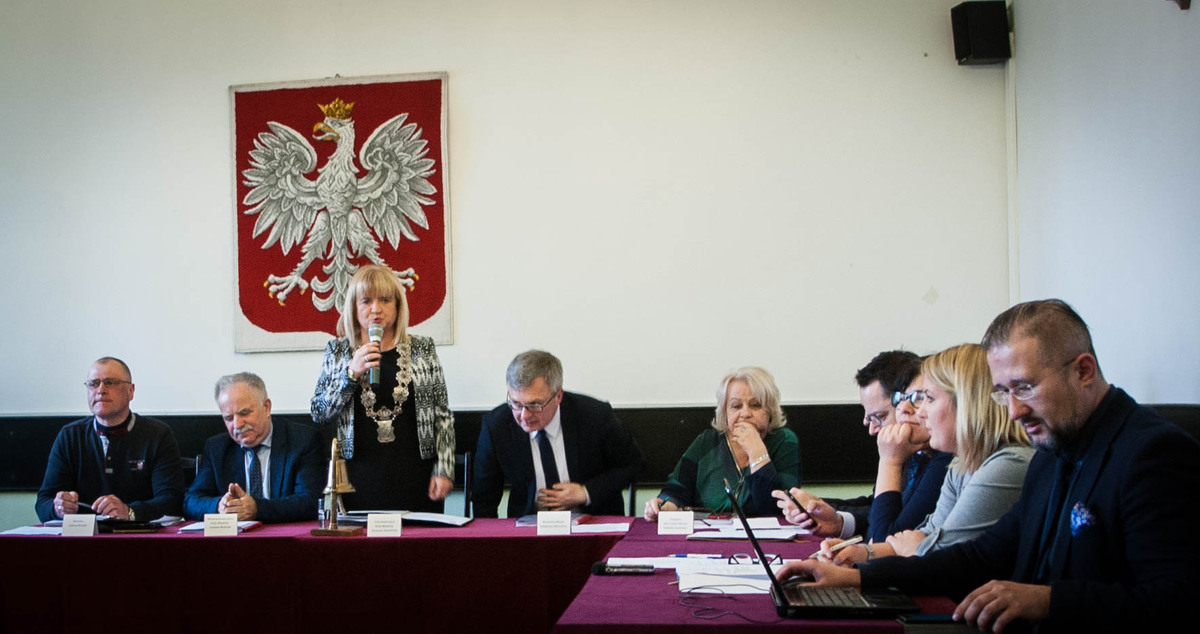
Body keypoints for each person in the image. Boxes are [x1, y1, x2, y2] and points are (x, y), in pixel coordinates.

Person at [776, 300, 1200, 633]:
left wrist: (1048, 600)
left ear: (1084, 371)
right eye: (1002, 392)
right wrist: (859, 577)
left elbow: (1179, 602)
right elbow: (981, 555)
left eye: (1025, 387)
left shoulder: (1152, 453)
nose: (1013, 410)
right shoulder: (1051, 454)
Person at [817, 343, 1033, 565]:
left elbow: (940, 556)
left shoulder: (1008, 464)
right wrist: (862, 553)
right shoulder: (960, 464)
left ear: (967, 404)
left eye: (928, 399)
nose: (920, 412)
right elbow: (925, 534)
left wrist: (889, 462)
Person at [311, 264, 455, 513]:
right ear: (354, 308)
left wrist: (445, 468)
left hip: (416, 476)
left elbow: (442, 415)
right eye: (366, 301)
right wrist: (351, 374)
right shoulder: (338, 352)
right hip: (358, 479)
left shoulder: (423, 349)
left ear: (398, 306)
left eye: (385, 300)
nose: (376, 309)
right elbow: (319, 413)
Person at [773, 351, 951, 540]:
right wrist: (835, 519)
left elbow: (884, 536)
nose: (905, 409)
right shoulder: (916, 452)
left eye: (921, 398)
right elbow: (877, 507)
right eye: (902, 399)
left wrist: (889, 461)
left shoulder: (944, 459)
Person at [473, 350, 645, 518]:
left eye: (535, 404)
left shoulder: (595, 416)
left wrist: (586, 492)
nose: (524, 415)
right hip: (529, 527)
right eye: (516, 404)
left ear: (558, 396)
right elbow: (484, 498)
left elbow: (634, 464)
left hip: (594, 523)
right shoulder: (497, 426)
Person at [35, 357, 184, 522]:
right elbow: (43, 502)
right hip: (83, 534)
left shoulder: (157, 434)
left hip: (140, 533)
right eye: (93, 384)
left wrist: (129, 512)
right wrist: (58, 507)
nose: (101, 390)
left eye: (110, 382)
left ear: (131, 391)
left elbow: (172, 501)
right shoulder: (70, 436)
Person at [645, 367, 800, 519]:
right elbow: (676, 490)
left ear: (770, 410)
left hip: (765, 535)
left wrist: (757, 453)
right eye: (736, 406)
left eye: (756, 405)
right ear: (725, 412)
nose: (745, 413)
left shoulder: (784, 440)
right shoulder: (706, 442)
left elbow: (777, 509)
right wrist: (665, 505)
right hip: (709, 532)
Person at [184, 373, 323, 523]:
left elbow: (311, 501)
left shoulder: (302, 440)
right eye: (229, 418)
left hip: (284, 534)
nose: (237, 424)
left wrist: (257, 509)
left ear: (267, 407)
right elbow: (191, 501)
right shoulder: (217, 448)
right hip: (234, 536)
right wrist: (220, 506)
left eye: (244, 413)